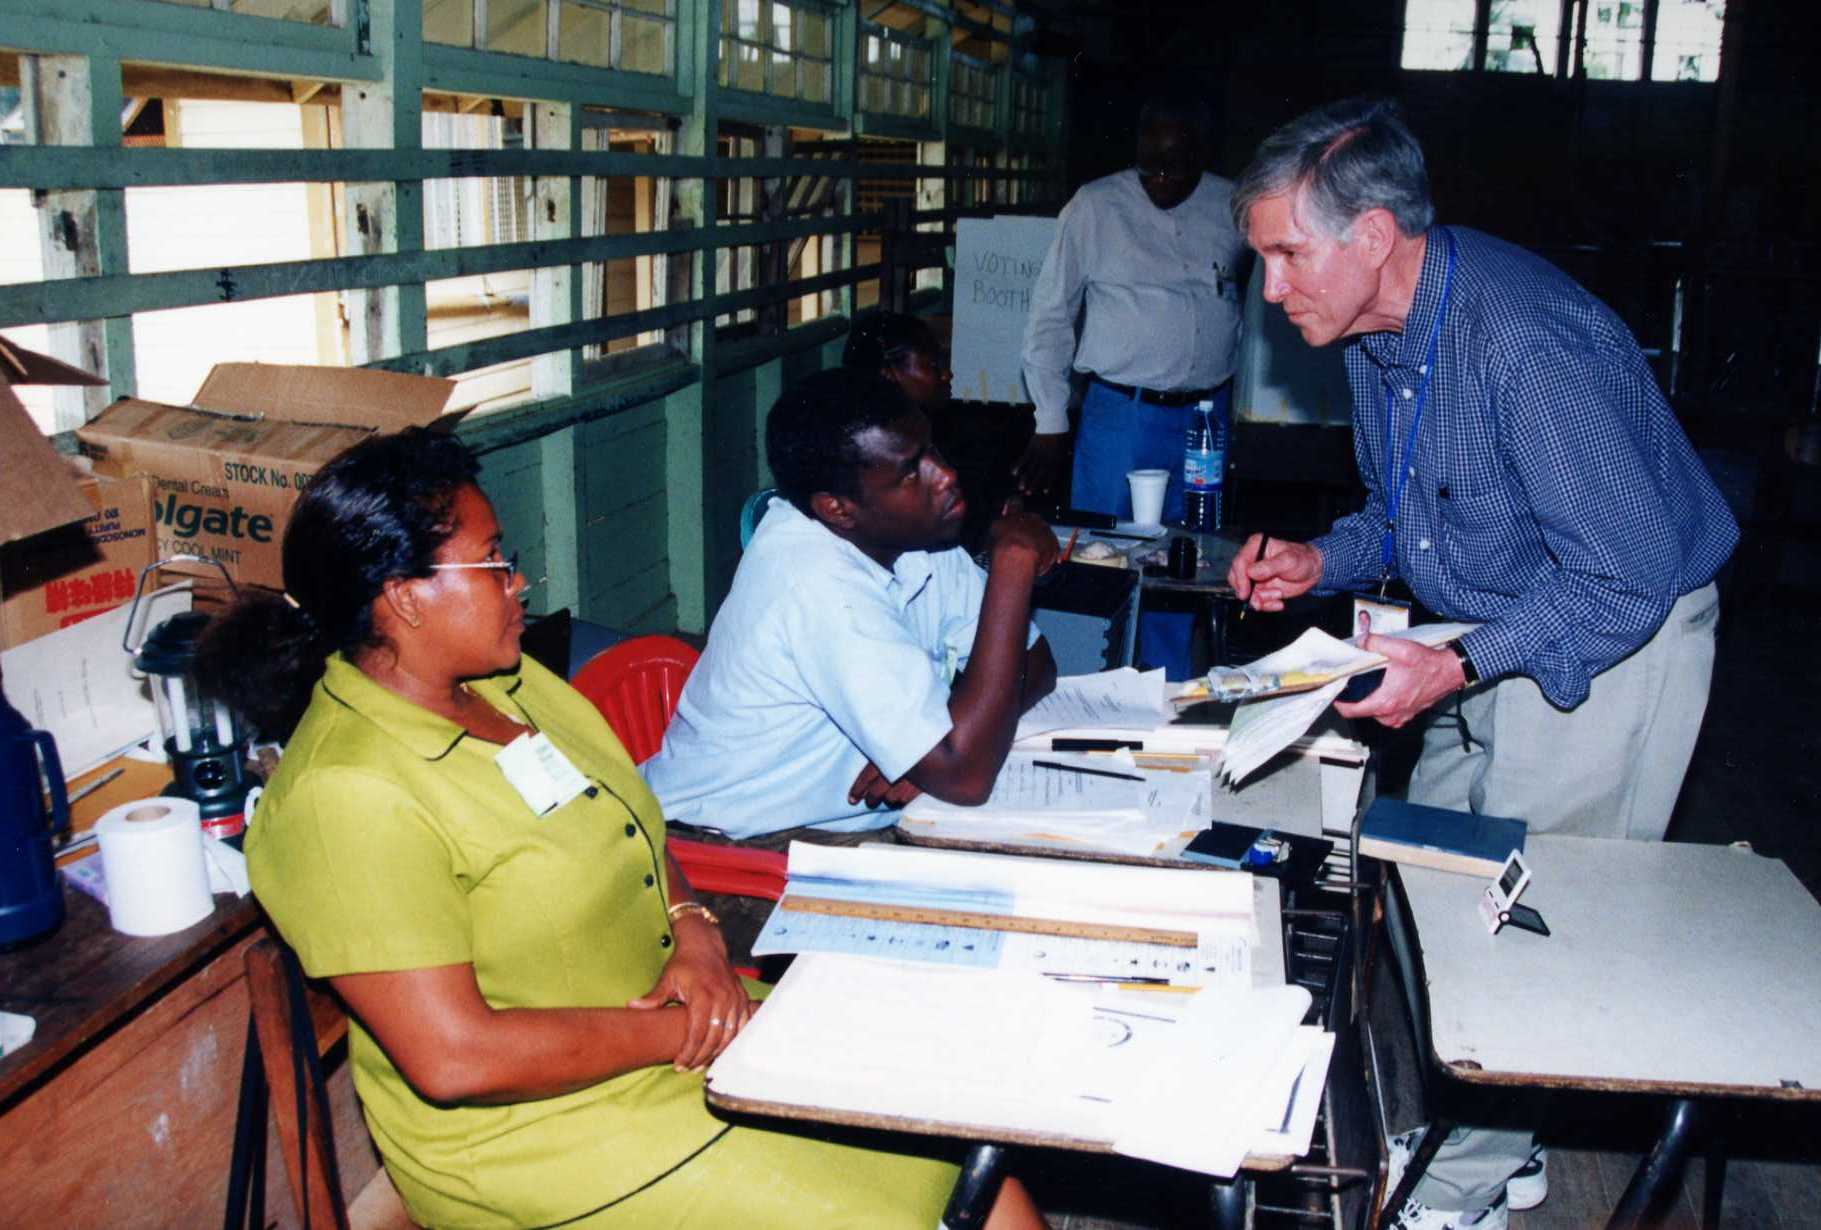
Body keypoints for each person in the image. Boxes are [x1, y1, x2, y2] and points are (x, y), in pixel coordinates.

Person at [200, 427, 1044, 1230]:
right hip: (545, 1136)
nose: (519, 582)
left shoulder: (509, 686)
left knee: (968, 1159)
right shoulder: (345, 793)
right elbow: (457, 1059)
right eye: (496, 563)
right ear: (404, 599)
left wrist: (695, 932)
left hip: (676, 1031)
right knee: (912, 1207)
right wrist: (682, 1030)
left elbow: (633, 826)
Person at [1226, 98, 1737, 1230]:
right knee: (1423, 876)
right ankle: (1495, 1137)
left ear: (1371, 237)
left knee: (1527, 922)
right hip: (1490, 620)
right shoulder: (1374, 331)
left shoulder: (1524, 342)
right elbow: (1412, 517)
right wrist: (1320, 557)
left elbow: (1621, 576)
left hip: (1615, 635)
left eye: (1285, 254)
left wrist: (1453, 671)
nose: (1271, 289)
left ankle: (1466, 1183)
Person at [642, 366, 1058, 840]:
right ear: (838, 509)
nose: (944, 476)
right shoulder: (816, 584)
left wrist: (938, 748)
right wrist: (1013, 564)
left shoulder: (916, 537)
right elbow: (966, 777)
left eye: (933, 450)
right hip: (732, 842)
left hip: (836, 821)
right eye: (909, 472)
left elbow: (1037, 663)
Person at [1019, 94, 1247, 677]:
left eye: (1180, 166)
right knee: (1103, 559)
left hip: (1204, 419)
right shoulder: (1096, 207)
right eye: (1154, 166)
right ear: (1138, 152)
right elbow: (1049, 315)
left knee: (1189, 555)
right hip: (1121, 414)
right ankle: (1094, 684)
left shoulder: (1231, 205)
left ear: (1203, 156)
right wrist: (1050, 422)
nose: (1165, 180)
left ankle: (1169, 685)